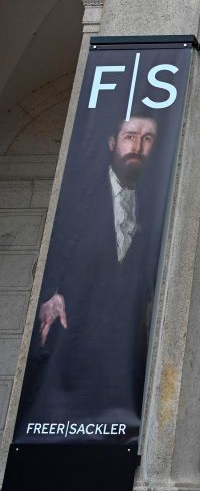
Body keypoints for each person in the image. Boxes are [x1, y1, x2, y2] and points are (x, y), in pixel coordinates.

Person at [16, 115, 161, 443]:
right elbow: (57, 244)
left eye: (147, 138)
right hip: (69, 343)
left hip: (123, 356)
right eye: (130, 136)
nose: (137, 147)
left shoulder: (155, 201)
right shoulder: (79, 191)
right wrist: (52, 291)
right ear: (112, 141)